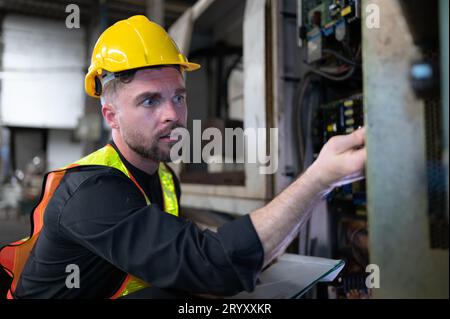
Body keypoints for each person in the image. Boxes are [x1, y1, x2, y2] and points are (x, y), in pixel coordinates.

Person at [0, 15, 366, 299]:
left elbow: (184, 248)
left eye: (178, 96)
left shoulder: (163, 178)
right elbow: (212, 265)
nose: (173, 114)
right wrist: (320, 178)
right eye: (149, 100)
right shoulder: (92, 192)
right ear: (111, 115)